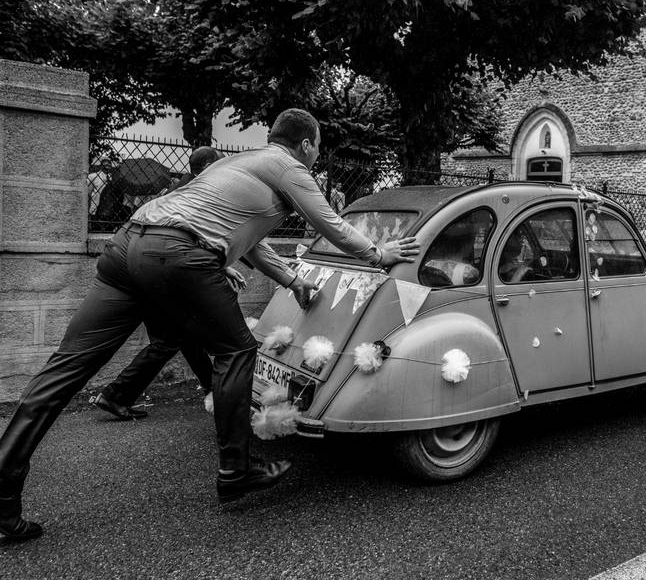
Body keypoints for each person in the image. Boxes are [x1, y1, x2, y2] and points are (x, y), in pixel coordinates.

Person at [0, 108, 420, 541]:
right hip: (178, 254)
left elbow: (253, 246)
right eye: (316, 148)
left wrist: (294, 282)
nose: (314, 157)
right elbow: (327, 221)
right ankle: (235, 470)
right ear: (308, 144)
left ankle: (3, 499)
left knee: (65, 370)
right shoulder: (288, 166)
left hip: (126, 245)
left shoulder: (233, 167)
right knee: (237, 350)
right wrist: (377, 254)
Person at [92, 146, 226, 420]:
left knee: (183, 334)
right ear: (208, 165)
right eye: (220, 164)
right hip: (162, 270)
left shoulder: (178, 188)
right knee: (169, 340)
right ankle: (115, 394)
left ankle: (214, 388)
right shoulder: (195, 191)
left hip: (144, 265)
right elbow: (199, 234)